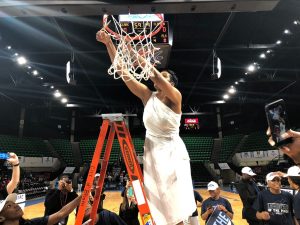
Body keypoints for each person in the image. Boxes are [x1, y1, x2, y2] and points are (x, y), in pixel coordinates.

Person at [96, 29, 196, 225]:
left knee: (174, 204)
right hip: (152, 150)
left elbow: (155, 76)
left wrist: (132, 51)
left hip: (172, 152)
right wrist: (109, 44)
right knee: (159, 205)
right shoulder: (147, 96)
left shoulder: (175, 97)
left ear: (172, 84)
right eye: (162, 75)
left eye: (165, 77)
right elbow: (123, 72)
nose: (161, 78)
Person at [0, 193, 81, 225]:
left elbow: (60, 214)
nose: (16, 205)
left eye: (14, 203)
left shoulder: (30, 224)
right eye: (8, 206)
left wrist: (83, 195)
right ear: (1, 218)